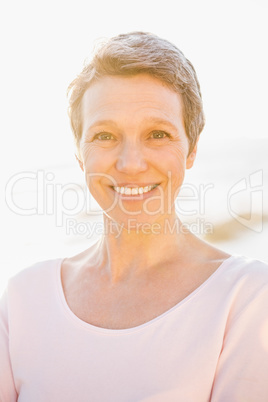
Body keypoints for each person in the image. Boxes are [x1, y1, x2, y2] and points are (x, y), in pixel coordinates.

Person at [1, 31, 268, 402]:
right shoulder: (23, 299)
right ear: (80, 153)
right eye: (105, 136)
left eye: (157, 134)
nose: (130, 163)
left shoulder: (246, 297)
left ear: (191, 148)